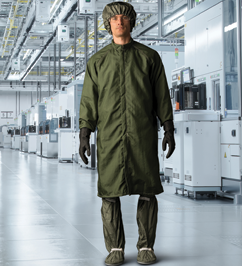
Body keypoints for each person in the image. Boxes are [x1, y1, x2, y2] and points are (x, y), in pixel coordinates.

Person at [78, 2, 175, 265]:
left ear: (132, 22)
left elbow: (161, 96)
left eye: (124, 17)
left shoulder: (149, 57)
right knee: (109, 192)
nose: (119, 21)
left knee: (147, 190)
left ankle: (146, 246)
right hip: (110, 137)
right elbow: (89, 100)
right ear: (107, 23)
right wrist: (84, 134)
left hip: (142, 135)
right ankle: (115, 249)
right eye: (114, 18)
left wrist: (168, 128)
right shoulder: (97, 62)